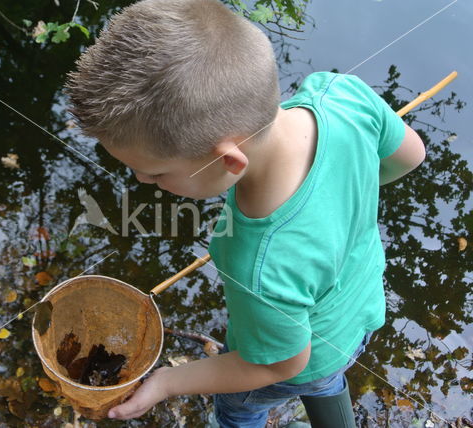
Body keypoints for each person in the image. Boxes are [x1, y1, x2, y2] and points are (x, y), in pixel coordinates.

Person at [65, 0, 425, 426]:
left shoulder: (256, 260)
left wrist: (166, 382)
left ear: (229, 161)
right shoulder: (339, 94)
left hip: (299, 362)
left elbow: (279, 365)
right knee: (329, 376)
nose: (143, 182)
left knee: (241, 407)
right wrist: (346, 190)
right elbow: (411, 155)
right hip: (360, 318)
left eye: (155, 172)